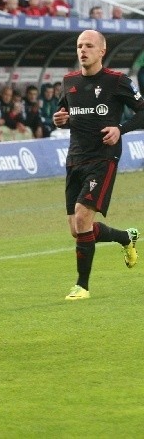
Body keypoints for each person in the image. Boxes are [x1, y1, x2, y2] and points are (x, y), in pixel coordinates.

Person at [52, 29, 144, 300]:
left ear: (101, 51)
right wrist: (59, 119)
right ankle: (125, 237)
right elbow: (63, 114)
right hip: (75, 158)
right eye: (80, 45)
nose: (83, 50)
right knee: (77, 229)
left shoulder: (117, 81)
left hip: (104, 157)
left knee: (82, 216)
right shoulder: (69, 81)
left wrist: (121, 129)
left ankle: (82, 286)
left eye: (89, 45)